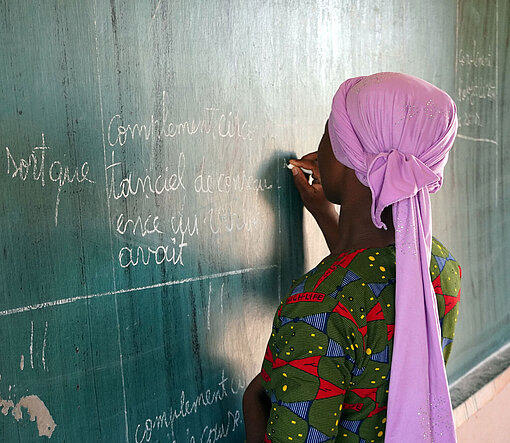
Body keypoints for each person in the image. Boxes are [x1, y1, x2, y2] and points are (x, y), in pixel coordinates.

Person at [243, 72, 461, 442]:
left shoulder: (318, 307)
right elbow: (373, 294)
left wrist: (254, 402)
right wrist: (331, 219)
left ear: (348, 157)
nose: (322, 146)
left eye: (328, 135)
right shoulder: (437, 264)